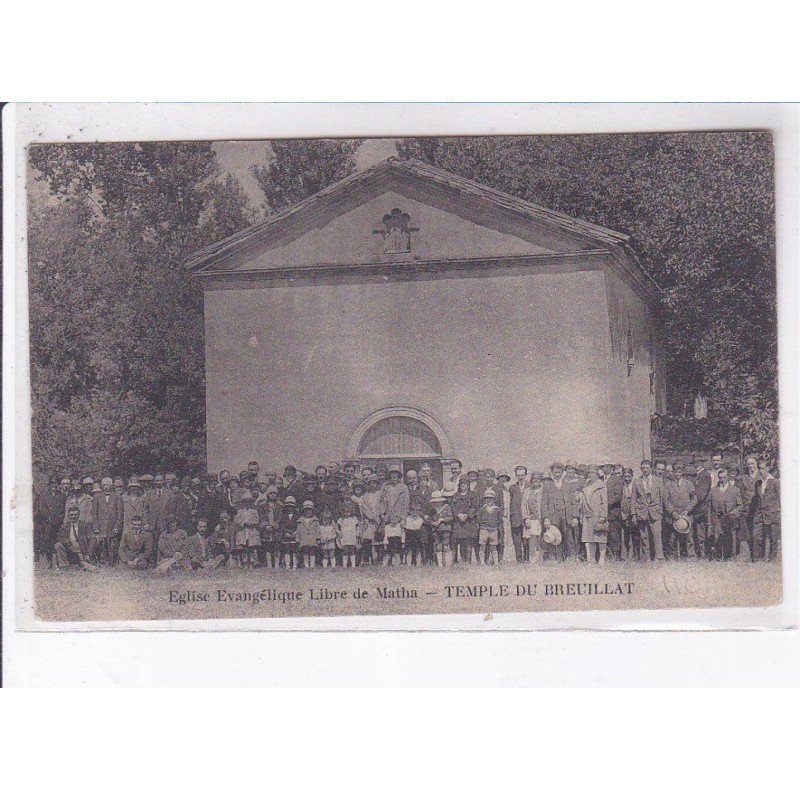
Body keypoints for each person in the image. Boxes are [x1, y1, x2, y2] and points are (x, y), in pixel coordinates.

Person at [541, 462, 579, 562]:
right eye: (555, 470)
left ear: (562, 472)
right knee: (553, 536)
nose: (557, 472)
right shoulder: (547, 486)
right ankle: (554, 558)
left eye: (560, 470)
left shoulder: (568, 485)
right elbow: (544, 503)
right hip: (553, 516)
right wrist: (546, 518)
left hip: (566, 515)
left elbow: (574, 502)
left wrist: (575, 517)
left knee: (568, 537)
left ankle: (571, 557)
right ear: (552, 472)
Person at [632, 460, 665, 561]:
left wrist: (660, 511)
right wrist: (633, 514)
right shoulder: (637, 481)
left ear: (651, 468)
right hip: (642, 512)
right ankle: (646, 557)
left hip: (655, 511)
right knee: (644, 535)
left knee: (657, 534)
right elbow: (633, 499)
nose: (645, 470)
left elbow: (662, 497)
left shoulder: (658, 480)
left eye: (647, 467)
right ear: (640, 469)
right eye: (643, 468)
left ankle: (659, 556)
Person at [708, 465, 743, 561]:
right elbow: (710, 508)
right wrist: (710, 522)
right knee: (717, 538)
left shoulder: (735, 490)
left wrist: (733, 513)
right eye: (720, 478)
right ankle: (718, 557)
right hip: (717, 518)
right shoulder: (713, 490)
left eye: (724, 477)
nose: (722, 479)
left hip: (729, 518)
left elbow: (740, 505)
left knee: (729, 538)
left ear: (728, 477)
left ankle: (729, 557)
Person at [578, 465, 609, 564]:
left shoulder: (601, 485)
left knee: (600, 537)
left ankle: (601, 559)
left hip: (597, 514)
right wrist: (581, 515)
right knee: (588, 538)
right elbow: (582, 501)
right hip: (587, 514)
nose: (590, 474)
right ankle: (591, 559)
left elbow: (604, 501)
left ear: (597, 474)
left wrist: (603, 515)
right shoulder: (586, 485)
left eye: (592, 472)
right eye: (589, 472)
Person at [664, 463, 696, 559]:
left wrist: (687, 510)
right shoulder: (668, 484)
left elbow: (694, 499)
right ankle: (673, 556)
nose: (677, 474)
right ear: (672, 472)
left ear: (682, 472)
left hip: (686, 514)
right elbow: (666, 500)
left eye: (679, 472)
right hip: (674, 515)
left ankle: (690, 555)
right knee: (672, 537)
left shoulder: (688, 484)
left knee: (688, 537)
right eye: (675, 472)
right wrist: (672, 512)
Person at [381, 466, 409, 565]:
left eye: (396, 473)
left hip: (399, 517)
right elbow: (382, 501)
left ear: (398, 475)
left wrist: (403, 518)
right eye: (392, 473)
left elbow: (406, 504)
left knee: (398, 539)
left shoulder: (403, 487)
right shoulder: (385, 486)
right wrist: (383, 514)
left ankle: (398, 560)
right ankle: (387, 560)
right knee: (387, 538)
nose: (394, 475)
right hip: (388, 517)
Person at [754, 459, 780, 561]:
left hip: (772, 514)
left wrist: (777, 511)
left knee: (773, 537)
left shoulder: (775, 482)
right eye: (759, 469)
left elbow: (780, 498)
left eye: (763, 468)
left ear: (768, 468)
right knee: (757, 536)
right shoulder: (758, 483)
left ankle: (772, 559)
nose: (761, 471)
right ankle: (759, 557)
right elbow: (758, 498)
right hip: (760, 514)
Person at [54, 506, 95, 570]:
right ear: (68, 515)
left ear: (79, 515)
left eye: (75, 514)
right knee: (58, 545)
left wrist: (88, 554)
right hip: (70, 549)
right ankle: (64, 566)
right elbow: (59, 538)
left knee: (89, 567)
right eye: (71, 515)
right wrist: (70, 541)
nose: (73, 517)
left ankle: (79, 565)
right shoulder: (64, 526)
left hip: (81, 551)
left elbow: (92, 539)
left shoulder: (85, 525)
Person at [93, 476, 122, 565]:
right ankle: (103, 562)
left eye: (107, 485)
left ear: (111, 485)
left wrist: (117, 527)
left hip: (112, 526)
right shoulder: (97, 497)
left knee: (113, 546)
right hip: (101, 527)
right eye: (104, 485)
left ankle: (113, 563)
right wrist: (96, 528)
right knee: (102, 546)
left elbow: (120, 514)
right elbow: (94, 514)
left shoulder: (117, 496)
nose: (105, 487)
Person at [687, 461, 713, 560]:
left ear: (702, 465)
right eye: (695, 464)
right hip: (694, 509)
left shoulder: (705, 476)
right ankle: (695, 554)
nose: (696, 465)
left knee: (700, 533)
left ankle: (703, 554)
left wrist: (691, 502)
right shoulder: (695, 476)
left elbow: (701, 495)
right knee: (693, 533)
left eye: (698, 464)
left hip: (700, 509)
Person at [450, 475, 477, 563]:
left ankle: (468, 561)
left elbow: (474, 507)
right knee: (461, 541)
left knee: (468, 541)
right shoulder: (455, 496)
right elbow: (452, 507)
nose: (463, 485)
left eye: (465, 483)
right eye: (461, 483)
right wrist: (458, 514)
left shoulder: (473, 495)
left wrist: (467, 515)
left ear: (468, 485)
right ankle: (462, 560)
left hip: (469, 521)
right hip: (458, 522)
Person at [738, 455, 760, 561]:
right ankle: (751, 556)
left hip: (758, 508)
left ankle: (759, 555)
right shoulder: (743, 477)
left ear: (757, 464)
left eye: (753, 463)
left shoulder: (761, 476)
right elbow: (739, 493)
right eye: (749, 464)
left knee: (758, 533)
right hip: (747, 509)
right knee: (749, 533)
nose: (751, 466)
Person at [359, 476, 384, 565]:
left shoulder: (380, 494)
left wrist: (380, 516)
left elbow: (382, 505)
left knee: (378, 539)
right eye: (371, 483)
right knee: (368, 540)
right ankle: (368, 559)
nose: (373, 485)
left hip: (378, 520)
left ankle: (378, 558)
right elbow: (364, 509)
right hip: (368, 520)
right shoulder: (364, 496)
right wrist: (371, 517)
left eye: (374, 483)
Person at [233, 490, 260, 568]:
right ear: (243, 503)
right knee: (244, 547)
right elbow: (237, 520)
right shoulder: (240, 511)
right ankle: (244, 563)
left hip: (251, 530)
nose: (247, 503)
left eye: (249, 501)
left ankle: (251, 562)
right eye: (245, 502)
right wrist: (243, 524)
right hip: (243, 530)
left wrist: (252, 523)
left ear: (251, 502)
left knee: (251, 547)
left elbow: (257, 520)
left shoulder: (254, 511)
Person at [426, 491, 453, 567]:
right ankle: (440, 564)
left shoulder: (447, 508)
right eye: (435, 502)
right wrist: (433, 523)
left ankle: (447, 563)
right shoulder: (433, 510)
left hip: (445, 529)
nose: (436, 503)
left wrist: (442, 519)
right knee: (438, 546)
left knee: (445, 545)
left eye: (438, 501)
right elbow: (429, 519)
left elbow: (450, 517)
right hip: (436, 530)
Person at [521, 471, 544, 562]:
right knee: (532, 538)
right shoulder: (527, 491)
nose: (536, 480)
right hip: (531, 519)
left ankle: (541, 557)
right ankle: (532, 558)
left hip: (541, 518)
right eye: (534, 478)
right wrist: (526, 518)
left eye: (537, 478)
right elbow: (523, 505)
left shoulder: (544, 490)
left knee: (541, 538)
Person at [257, 485, 282, 567]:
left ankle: (276, 564)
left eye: (275, 493)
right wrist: (266, 525)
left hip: (276, 528)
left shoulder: (279, 506)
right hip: (266, 528)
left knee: (276, 546)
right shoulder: (263, 505)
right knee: (267, 546)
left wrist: (275, 524)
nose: (273, 495)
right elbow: (261, 516)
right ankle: (269, 564)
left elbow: (280, 516)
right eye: (271, 493)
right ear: (268, 494)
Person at [508, 466, 528, 562]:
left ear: (526, 475)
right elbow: (510, 503)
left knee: (527, 539)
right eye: (518, 475)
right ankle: (519, 559)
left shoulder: (530, 486)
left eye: (522, 475)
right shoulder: (512, 488)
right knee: (516, 539)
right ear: (516, 475)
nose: (521, 477)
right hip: (515, 517)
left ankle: (527, 558)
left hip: (526, 517)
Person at [478, 489, 502, 565]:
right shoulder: (482, 509)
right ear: (484, 500)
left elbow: (499, 520)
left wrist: (496, 527)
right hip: (484, 530)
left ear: (494, 500)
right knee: (482, 546)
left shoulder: (497, 509)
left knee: (493, 547)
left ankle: (495, 562)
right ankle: (482, 562)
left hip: (494, 530)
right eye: (487, 498)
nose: (489, 500)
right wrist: (482, 526)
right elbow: (479, 519)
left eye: (491, 498)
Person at [605, 465, 624, 560]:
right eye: (603, 466)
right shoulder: (599, 479)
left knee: (614, 535)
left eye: (607, 466)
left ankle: (616, 556)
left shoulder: (617, 480)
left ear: (611, 468)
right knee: (604, 535)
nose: (605, 468)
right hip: (601, 513)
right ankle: (606, 555)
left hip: (613, 511)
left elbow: (617, 497)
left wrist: (604, 506)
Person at [296, 500, 321, 568]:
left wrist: (318, 538)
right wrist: (298, 539)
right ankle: (306, 565)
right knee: (305, 551)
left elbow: (318, 530)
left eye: (309, 509)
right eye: (306, 509)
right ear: (303, 510)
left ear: (312, 510)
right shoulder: (300, 520)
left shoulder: (315, 520)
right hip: (304, 538)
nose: (308, 511)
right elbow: (298, 531)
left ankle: (312, 565)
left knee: (312, 551)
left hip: (312, 538)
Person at [620, 468, 638, 559]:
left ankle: (635, 554)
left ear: (632, 476)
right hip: (623, 513)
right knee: (625, 535)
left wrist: (634, 513)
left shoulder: (635, 485)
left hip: (633, 514)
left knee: (635, 535)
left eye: (629, 476)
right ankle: (625, 555)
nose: (627, 478)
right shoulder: (621, 486)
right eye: (625, 476)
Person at [278, 496, 300, 569]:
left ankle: (294, 565)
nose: (290, 508)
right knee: (287, 549)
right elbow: (281, 525)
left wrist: (296, 532)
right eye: (288, 506)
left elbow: (299, 524)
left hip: (295, 534)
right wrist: (286, 532)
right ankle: (287, 565)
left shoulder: (297, 515)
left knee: (295, 550)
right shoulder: (283, 516)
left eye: (292, 506)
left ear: (294, 507)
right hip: (286, 535)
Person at [337, 500, 360, 567]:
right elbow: (337, 527)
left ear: (351, 512)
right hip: (345, 536)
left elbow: (357, 526)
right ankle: (345, 565)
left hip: (352, 536)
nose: (347, 513)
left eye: (348, 512)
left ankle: (353, 565)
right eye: (345, 512)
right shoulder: (341, 519)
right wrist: (339, 532)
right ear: (343, 512)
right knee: (345, 551)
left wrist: (357, 532)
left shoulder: (354, 518)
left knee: (352, 550)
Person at [403, 497, 425, 566]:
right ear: (410, 511)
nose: (414, 512)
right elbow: (405, 526)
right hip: (409, 534)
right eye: (412, 511)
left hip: (416, 534)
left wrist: (408, 526)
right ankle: (408, 563)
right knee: (409, 549)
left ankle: (418, 563)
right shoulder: (407, 518)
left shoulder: (420, 519)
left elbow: (417, 527)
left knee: (417, 549)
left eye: (416, 511)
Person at [496, 473, 512, 562]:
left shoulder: (507, 491)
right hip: (499, 518)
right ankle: (497, 558)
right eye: (501, 477)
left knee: (505, 538)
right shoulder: (496, 489)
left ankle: (503, 558)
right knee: (499, 537)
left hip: (507, 517)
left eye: (505, 478)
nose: (503, 480)